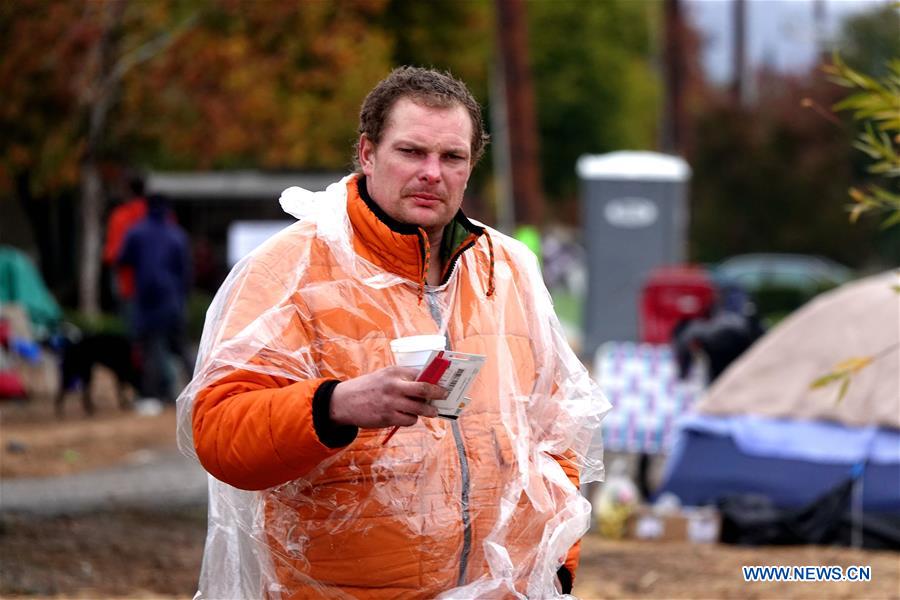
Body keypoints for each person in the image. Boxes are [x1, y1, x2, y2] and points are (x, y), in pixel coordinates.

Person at [176, 67, 609, 599]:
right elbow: (219, 432)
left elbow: (556, 431)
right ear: (367, 153)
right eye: (411, 152)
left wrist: (556, 567)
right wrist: (333, 405)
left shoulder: (507, 272)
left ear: (470, 168)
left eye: (451, 157)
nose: (432, 173)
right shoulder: (290, 271)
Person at [119, 194, 192, 403]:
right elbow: (186, 272)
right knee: (180, 346)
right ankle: (203, 386)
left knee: (153, 347)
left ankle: (160, 393)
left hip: (146, 300)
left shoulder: (136, 233)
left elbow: (122, 259)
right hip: (173, 300)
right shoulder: (177, 235)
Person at [103, 174, 149, 319]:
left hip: (127, 285)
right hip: (155, 288)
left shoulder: (120, 216)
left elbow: (112, 254)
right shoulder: (157, 215)